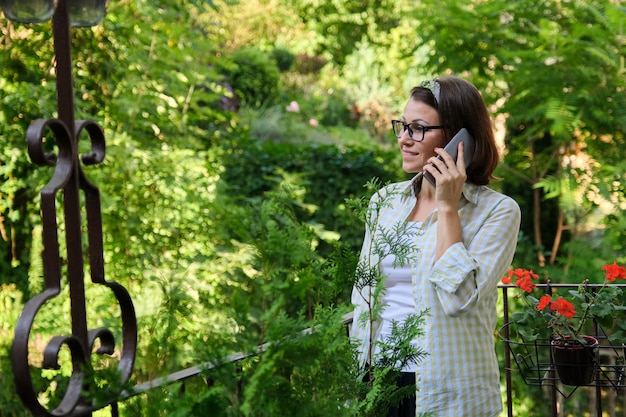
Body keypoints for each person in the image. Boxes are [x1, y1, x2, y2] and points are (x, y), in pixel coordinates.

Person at [350, 75, 521, 417]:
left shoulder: (498, 212)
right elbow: (363, 297)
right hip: (377, 381)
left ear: (460, 139)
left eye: (418, 128)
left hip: (448, 390)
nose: (404, 139)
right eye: (402, 126)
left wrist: (447, 207)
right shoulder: (385, 201)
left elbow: (458, 299)